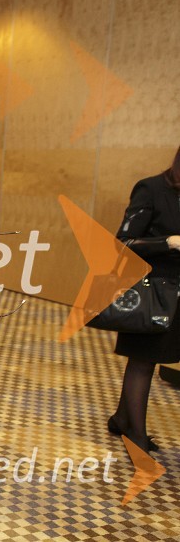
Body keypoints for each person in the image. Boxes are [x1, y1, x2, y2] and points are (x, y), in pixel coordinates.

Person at [108, 146, 180, 454]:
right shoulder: (152, 188)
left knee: (154, 356)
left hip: (177, 295)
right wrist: (167, 242)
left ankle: (121, 419)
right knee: (143, 360)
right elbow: (122, 243)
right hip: (152, 291)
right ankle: (135, 434)